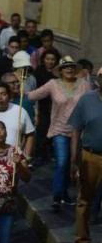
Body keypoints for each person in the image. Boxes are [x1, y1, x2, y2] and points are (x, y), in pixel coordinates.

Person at [28, 56, 91, 210]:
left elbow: (95, 99)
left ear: (75, 70)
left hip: (80, 130)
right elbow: (32, 95)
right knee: (62, 162)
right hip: (59, 129)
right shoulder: (53, 84)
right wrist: (17, 88)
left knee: (74, 163)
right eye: (65, 67)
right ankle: (57, 196)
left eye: (71, 67)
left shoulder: (84, 85)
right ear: (61, 71)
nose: (68, 69)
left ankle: (66, 194)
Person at [69, 69, 102, 243]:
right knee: (85, 200)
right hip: (90, 156)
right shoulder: (86, 100)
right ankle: (82, 240)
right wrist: (74, 160)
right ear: (98, 80)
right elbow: (75, 130)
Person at [32, 48, 59, 165]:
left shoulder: (59, 72)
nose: (50, 61)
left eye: (53, 59)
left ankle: (51, 151)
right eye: (48, 59)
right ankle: (39, 154)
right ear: (44, 59)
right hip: (42, 104)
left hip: (56, 105)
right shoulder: (39, 71)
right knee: (42, 129)